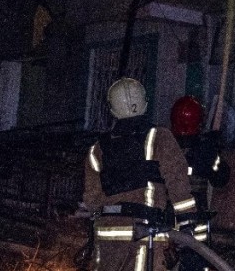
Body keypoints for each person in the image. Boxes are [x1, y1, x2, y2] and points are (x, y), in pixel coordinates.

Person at [82, 78, 197, 271]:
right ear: (144, 103)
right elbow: (178, 184)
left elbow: (92, 200)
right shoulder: (159, 137)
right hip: (144, 234)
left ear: (112, 109)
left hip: (106, 239)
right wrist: (187, 224)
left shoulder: (96, 150)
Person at [170, 95, 231, 271]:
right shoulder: (205, 151)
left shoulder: (164, 148)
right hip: (195, 225)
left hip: (165, 222)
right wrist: (214, 150)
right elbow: (221, 179)